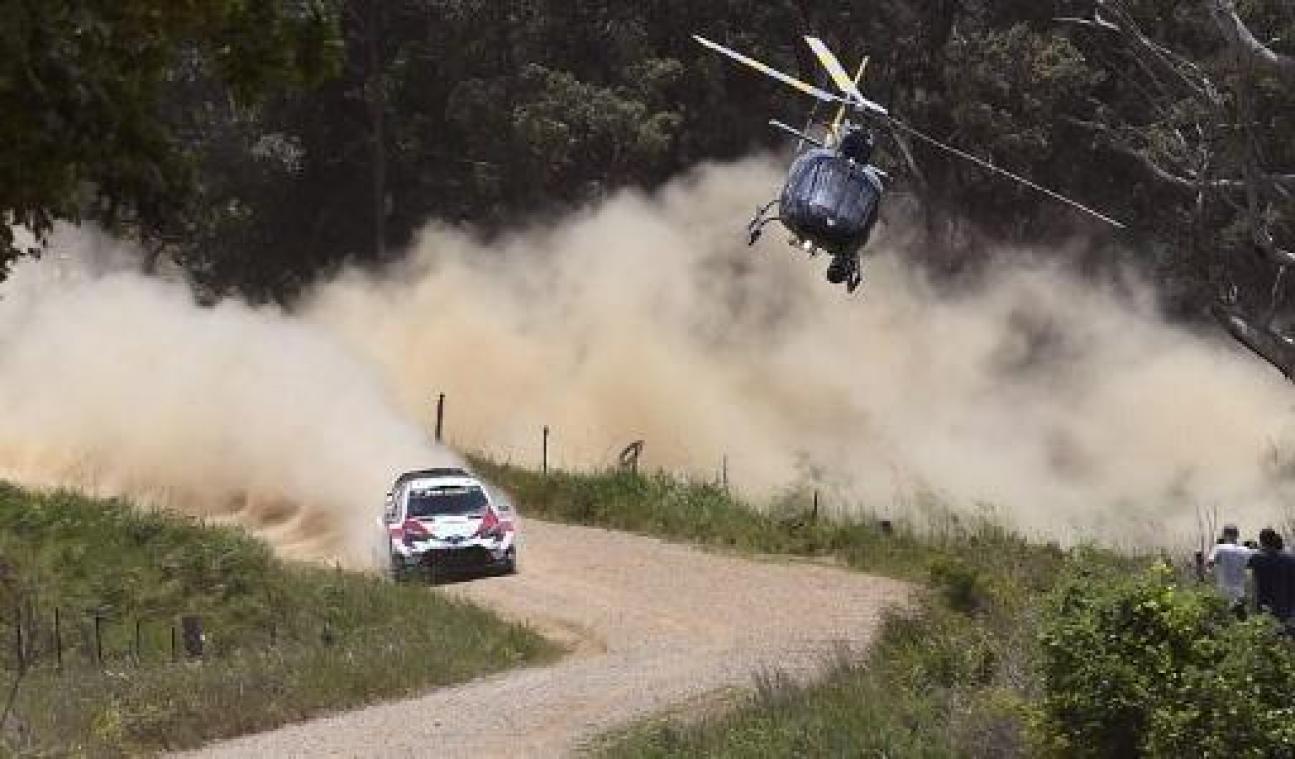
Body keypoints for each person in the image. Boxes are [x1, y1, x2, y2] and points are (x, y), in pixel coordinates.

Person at [1247, 527, 1295, 631]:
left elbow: (1251, 584)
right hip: (1285, 608)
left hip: (1263, 607)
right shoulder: (1290, 559)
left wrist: (1251, 608)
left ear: (1261, 541)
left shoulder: (1256, 558)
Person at [1206, 525, 1252, 616]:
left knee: (1224, 617)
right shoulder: (1246, 550)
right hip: (1240, 590)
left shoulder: (1219, 548)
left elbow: (1209, 565)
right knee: (1240, 617)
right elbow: (1250, 567)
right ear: (1237, 535)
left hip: (1223, 590)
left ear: (1224, 535)